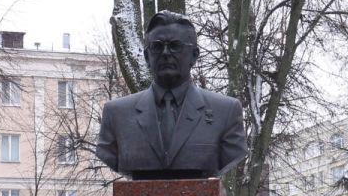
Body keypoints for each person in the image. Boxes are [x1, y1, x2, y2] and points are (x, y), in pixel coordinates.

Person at [96, 11, 247, 179]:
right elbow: (108, 153)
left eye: (175, 46)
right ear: (147, 57)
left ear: (194, 55)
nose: (166, 53)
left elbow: (232, 154)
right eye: (157, 46)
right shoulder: (117, 114)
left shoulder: (226, 111)